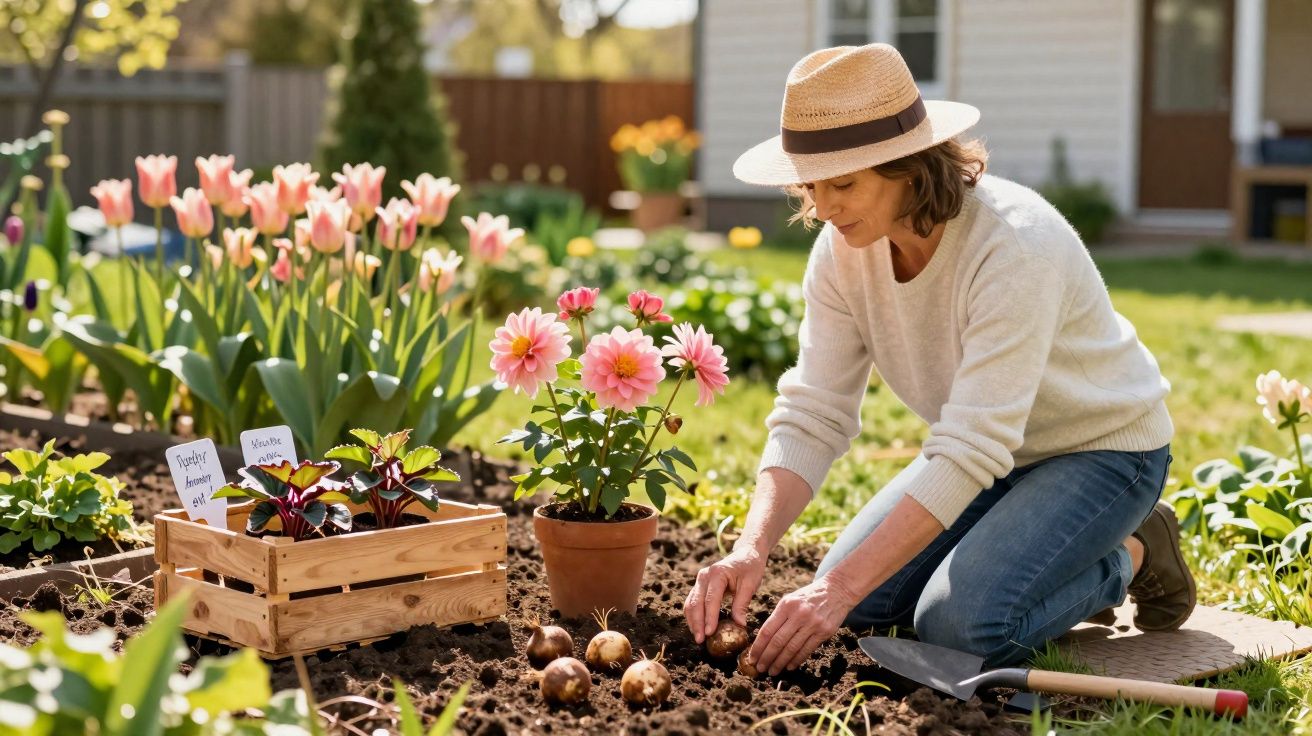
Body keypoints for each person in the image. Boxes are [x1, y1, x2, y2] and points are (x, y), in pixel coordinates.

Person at [683, 43, 1194, 677]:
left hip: (1101, 451)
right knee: (864, 602)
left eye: (843, 183)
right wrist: (749, 548)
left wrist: (832, 591)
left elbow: (971, 445)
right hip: (990, 457)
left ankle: (1134, 551)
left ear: (910, 165)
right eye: (811, 183)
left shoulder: (1014, 248)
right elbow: (814, 412)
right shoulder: (843, 251)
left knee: (958, 627)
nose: (823, 205)